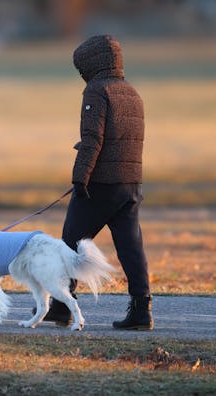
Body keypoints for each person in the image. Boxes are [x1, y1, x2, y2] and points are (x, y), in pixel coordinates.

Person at [43, 34, 153, 330]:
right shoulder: (131, 92)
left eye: (82, 68)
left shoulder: (97, 90)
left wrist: (81, 177)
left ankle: (61, 308)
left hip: (100, 183)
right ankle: (142, 311)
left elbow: (93, 139)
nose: (81, 74)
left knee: (70, 243)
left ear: (92, 63)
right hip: (130, 183)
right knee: (131, 247)